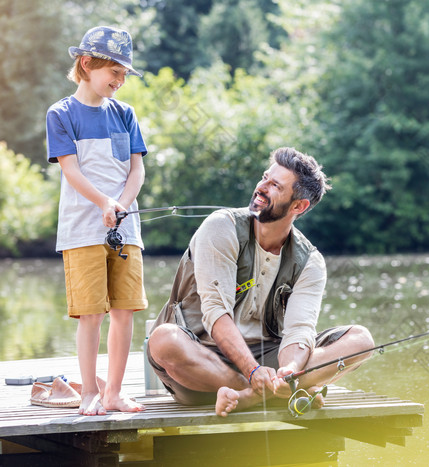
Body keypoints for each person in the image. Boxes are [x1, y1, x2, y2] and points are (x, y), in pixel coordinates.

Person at [147, 147, 375, 416]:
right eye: (265, 177)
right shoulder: (221, 227)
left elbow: (299, 331)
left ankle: (255, 395)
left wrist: (289, 371)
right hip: (203, 359)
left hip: (270, 359)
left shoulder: (310, 261)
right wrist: (253, 372)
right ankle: (271, 393)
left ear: (299, 206)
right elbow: (215, 313)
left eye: (275, 185)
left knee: (361, 340)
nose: (262, 187)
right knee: (163, 340)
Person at [46, 26, 148, 416]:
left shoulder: (125, 114)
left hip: (127, 231)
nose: (120, 82)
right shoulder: (61, 114)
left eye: (124, 75)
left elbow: (136, 172)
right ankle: (89, 392)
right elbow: (71, 171)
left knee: (124, 313)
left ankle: (114, 394)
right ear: (87, 64)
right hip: (81, 230)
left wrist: (121, 204)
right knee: (90, 314)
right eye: (115, 72)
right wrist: (103, 202)